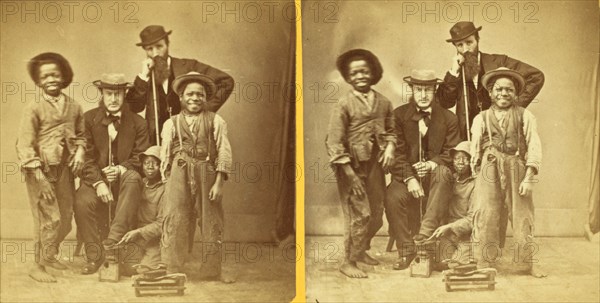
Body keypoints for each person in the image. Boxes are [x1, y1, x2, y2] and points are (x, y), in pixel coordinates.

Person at [326, 49, 396, 278]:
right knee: (359, 213)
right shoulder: (343, 104)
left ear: (373, 73)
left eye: (365, 71)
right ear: (348, 77)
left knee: (376, 211)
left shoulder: (384, 103)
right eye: (354, 73)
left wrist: (390, 148)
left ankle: (362, 249)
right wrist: (349, 173)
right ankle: (348, 261)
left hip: (375, 164)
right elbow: (334, 142)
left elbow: (392, 131)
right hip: (351, 167)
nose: (360, 76)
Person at [17, 52, 86, 282]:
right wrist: (39, 176)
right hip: (41, 172)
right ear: (38, 81)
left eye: (55, 74)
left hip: (65, 170)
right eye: (45, 77)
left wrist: (80, 151)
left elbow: (81, 136)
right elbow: (24, 144)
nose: (51, 80)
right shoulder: (33, 108)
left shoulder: (74, 107)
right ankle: (38, 266)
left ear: (64, 76)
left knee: (65, 218)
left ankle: (50, 254)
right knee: (48, 219)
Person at [469, 67, 544, 277]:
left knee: (522, 215)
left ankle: (527, 264)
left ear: (516, 93)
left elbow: (534, 144)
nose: (503, 94)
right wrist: (478, 174)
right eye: (499, 89)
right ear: (491, 92)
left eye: (509, 90)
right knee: (486, 212)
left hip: (516, 166)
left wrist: (529, 177)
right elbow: (475, 149)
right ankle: (484, 261)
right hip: (489, 166)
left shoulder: (525, 115)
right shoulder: (480, 118)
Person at [159, 72, 233, 281]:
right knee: (175, 217)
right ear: (181, 97)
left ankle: (211, 270)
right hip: (179, 172)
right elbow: (165, 156)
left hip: (206, 172)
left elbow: (224, 151)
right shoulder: (171, 123)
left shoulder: (216, 121)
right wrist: (169, 182)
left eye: (200, 94)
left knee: (211, 220)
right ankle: (172, 267)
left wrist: (218, 182)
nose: (194, 98)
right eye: (189, 94)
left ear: (206, 98)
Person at [74, 73, 150, 274]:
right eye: (109, 94)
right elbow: (86, 158)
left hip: (125, 181)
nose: (114, 99)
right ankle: (94, 256)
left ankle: (117, 247)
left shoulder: (138, 123)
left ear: (125, 94)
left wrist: (120, 169)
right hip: (95, 179)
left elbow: (141, 157)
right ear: (101, 93)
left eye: (118, 94)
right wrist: (98, 182)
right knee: (82, 201)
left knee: (133, 179)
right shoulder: (88, 120)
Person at [385, 70, 460, 270]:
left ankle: (425, 240)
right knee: (393, 196)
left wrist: (431, 164)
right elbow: (397, 155)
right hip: (405, 176)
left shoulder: (449, 118)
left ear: (435, 90)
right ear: (412, 90)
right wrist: (409, 178)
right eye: (419, 90)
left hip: (437, 179)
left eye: (428, 89)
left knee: (444, 173)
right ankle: (406, 251)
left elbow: (452, 153)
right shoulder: (399, 116)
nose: (424, 95)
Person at [126, 25, 234, 145]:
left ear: (167, 45)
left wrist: (203, 110)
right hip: (157, 141)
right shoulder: (146, 76)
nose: (155, 53)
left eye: (159, 46)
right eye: (149, 49)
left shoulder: (188, 66)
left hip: (190, 137)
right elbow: (134, 107)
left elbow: (226, 82)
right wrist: (143, 76)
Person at [437, 21, 545, 140]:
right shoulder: (457, 72)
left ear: (477, 40)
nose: (465, 49)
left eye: (469, 42)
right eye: (460, 45)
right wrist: (453, 72)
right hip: (469, 137)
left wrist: (512, 107)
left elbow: (536, 77)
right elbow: (444, 102)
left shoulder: (499, 62)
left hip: (501, 133)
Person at [118, 145, 165, 273]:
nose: (150, 167)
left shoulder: (165, 189)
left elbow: (162, 224)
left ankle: (156, 258)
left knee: (144, 271)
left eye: (155, 164)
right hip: (137, 237)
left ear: (162, 166)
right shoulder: (139, 184)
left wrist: (139, 231)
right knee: (127, 269)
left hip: (155, 239)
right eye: (146, 163)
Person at [430, 141, 476, 268]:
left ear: (472, 161)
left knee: (458, 265)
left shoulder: (476, 185)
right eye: (456, 158)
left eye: (465, 159)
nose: (460, 162)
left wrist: (449, 226)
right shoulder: (450, 180)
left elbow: (473, 219)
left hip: (467, 236)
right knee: (439, 264)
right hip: (449, 234)